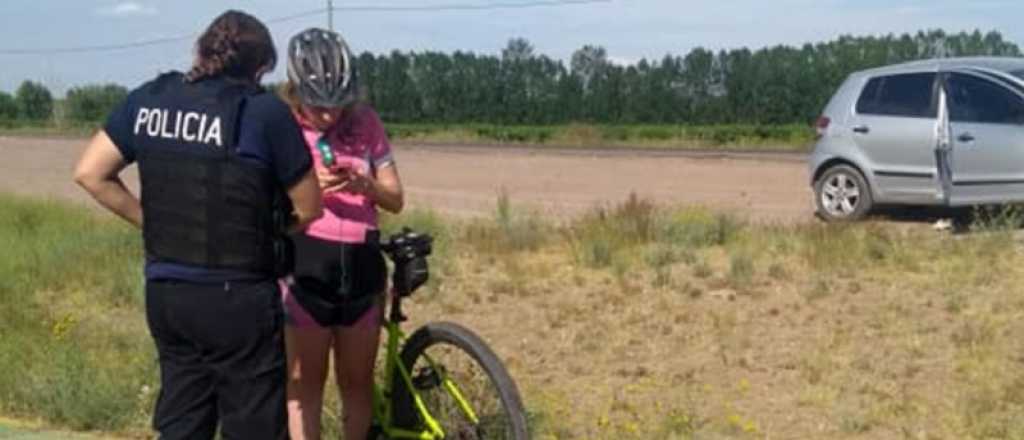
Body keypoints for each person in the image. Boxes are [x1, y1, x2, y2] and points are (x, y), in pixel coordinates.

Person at [72, 10, 322, 440]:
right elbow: (310, 206)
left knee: (182, 422)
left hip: (168, 293)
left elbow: (90, 173)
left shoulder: (148, 99)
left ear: (201, 51)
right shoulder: (263, 113)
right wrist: (268, 232)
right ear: (260, 67)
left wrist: (151, 223)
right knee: (255, 426)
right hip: (238, 297)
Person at [278, 28, 404, 440]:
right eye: (319, 106)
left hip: (362, 267)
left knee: (356, 384)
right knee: (305, 385)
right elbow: (264, 199)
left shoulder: (366, 122)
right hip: (305, 265)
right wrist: (305, 185)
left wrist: (365, 186)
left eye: (339, 105)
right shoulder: (282, 125)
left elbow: (396, 198)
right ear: (296, 91)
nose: (330, 116)